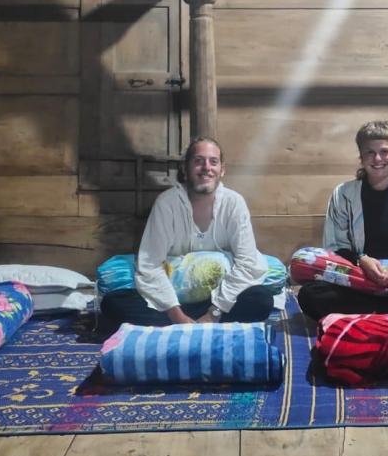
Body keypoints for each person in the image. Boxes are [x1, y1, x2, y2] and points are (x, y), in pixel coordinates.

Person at [100, 137, 274, 326]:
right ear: (185, 168)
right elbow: (150, 265)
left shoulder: (234, 203)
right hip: (172, 303)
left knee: (261, 299)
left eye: (213, 162)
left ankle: (197, 323)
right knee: (113, 304)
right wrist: (178, 316)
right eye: (198, 161)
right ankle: (189, 323)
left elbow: (247, 263)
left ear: (222, 170)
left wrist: (214, 312)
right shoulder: (167, 204)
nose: (206, 168)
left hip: (219, 303)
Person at [297, 120, 388, 320]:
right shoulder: (343, 194)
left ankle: (376, 313)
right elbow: (335, 248)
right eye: (370, 152)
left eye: (385, 151)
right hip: (360, 281)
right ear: (361, 156)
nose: (378, 158)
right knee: (310, 295)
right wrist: (362, 260)